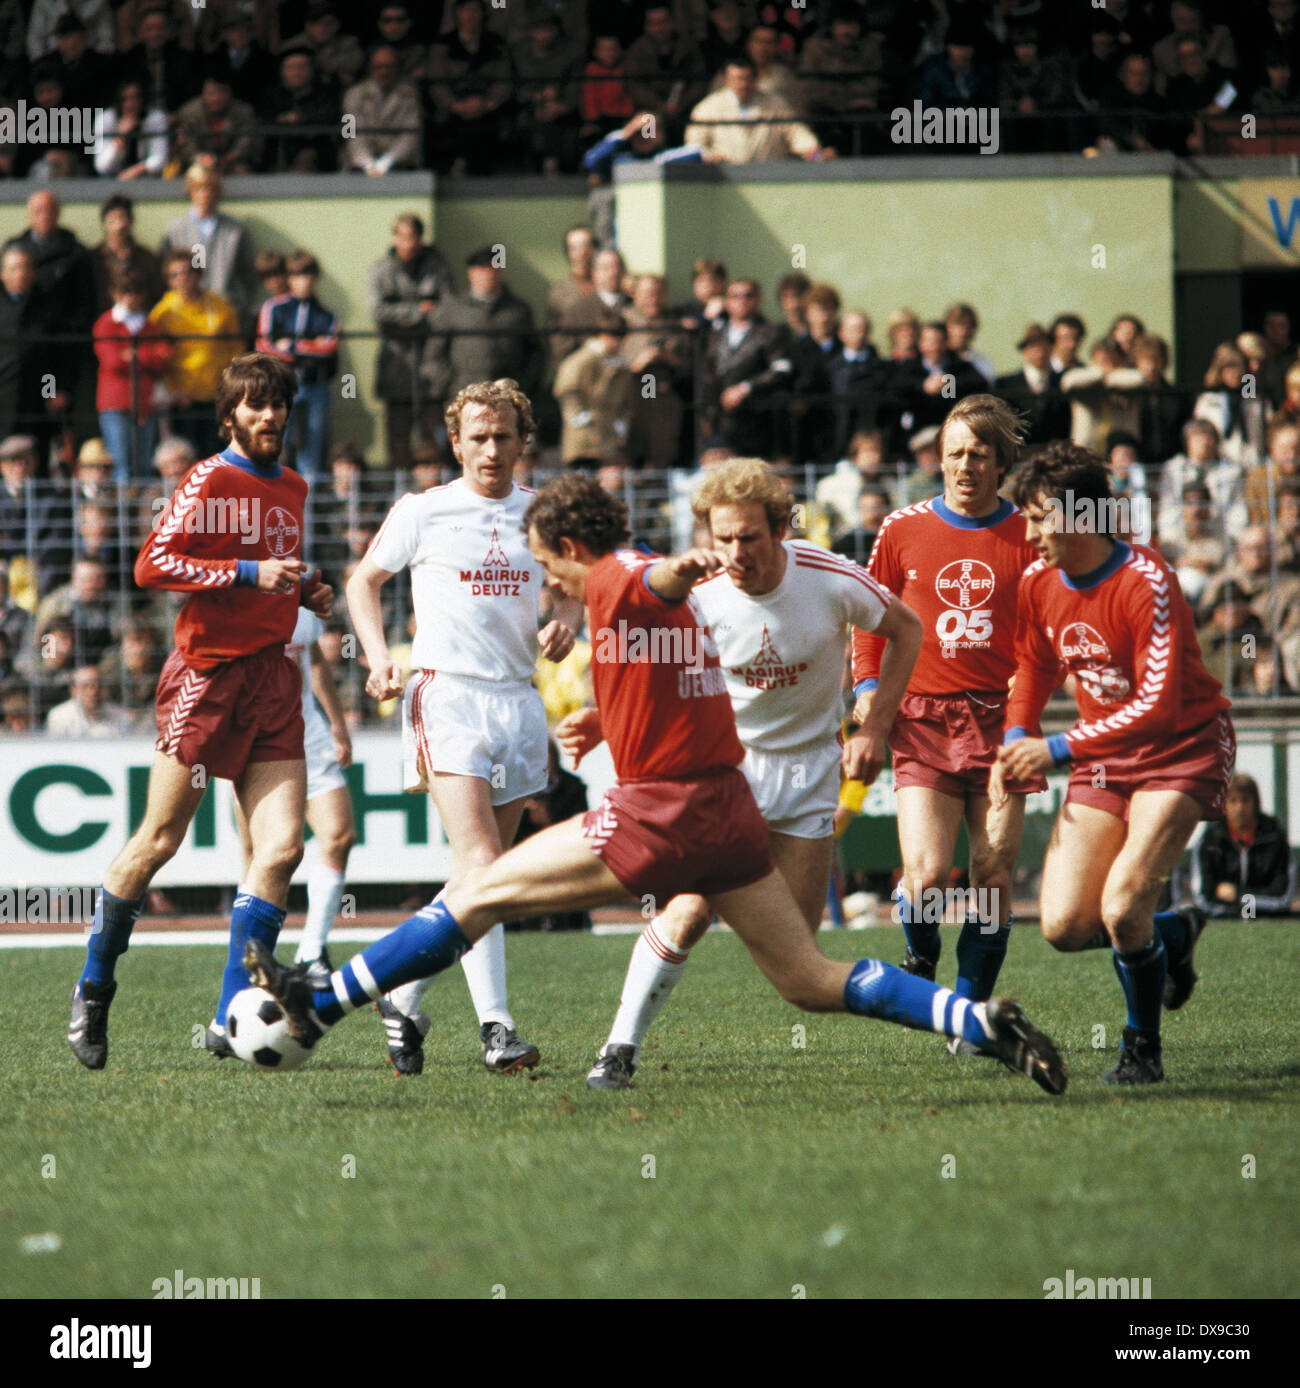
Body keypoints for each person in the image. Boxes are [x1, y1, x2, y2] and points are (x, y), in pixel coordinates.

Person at [247, 472, 1066, 1095]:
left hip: (660, 813)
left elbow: (650, 582)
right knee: (809, 980)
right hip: (729, 813)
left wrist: (682, 566)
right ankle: (977, 1018)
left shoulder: (621, 578)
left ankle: (321, 1004)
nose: (548, 583)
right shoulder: (669, 595)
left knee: (479, 890)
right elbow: (658, 619)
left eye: (544, 565)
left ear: (570, 550)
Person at [585, 457, 923, 1088]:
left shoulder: (826, 574)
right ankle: (617, 1049)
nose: (735, 552)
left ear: (778, 530)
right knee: (686, 912)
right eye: (722, 538)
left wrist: (875, 727)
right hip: (724, 775)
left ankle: (955, 1016)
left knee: (799, 965)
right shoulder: (696, 595)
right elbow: (647, 671)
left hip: (809, 777)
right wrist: (598, 718)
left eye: (749, 536)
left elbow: (907, 629)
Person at [67, 353, 334, 1070]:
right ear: (229, 417)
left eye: (277, 403)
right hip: (207, 678)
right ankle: (93, 988)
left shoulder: (297, 486)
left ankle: (227, 1019)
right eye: (253, 405)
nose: (268, 415)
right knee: (159, 842)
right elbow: (152, 565)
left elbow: (270, 567)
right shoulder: (210, 477)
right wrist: (253, 574)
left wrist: (303, 589)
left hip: (272, 680)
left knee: (281, 850)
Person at [344, 379, 583, 1076]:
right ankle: (498, 1029)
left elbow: (577, 587)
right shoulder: (423, 511)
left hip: (517, 699)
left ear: (522, 441)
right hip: (445, 694)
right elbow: (364, 583)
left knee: (485, 880)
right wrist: (381, 658)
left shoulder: (541, 512)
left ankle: (404, 996)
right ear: (456, 443)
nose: (490, 448)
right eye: (477, 437)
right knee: (483, 864)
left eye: (503, 436)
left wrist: (566, 623)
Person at [992, 440, 1235, 1084]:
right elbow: (1033, 666)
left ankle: (1141, 1051)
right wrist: (1017, 734)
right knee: (1066, 925)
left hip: (1180, 747)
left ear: (1082, 515)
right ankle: (1174, 935)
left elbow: (1157, 708)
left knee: (1123, 906)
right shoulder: (1037, 582)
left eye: (1043, 516)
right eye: (1028, 516)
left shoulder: (1146, 581)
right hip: (1107, 755)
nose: (1031, 530)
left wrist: (1054, 747)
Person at [851, 395, 1044, 1029]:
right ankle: (920, 947)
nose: (966, 466)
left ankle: (967, 1009)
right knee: (928, 875)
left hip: (1004, 722)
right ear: (939, 459)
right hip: (922, 719)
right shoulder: (902, 528)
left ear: (1000, 462)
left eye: (979, 455)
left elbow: (1050, 628)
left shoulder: (1029, 535)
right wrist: (866, 686)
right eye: (955, 453)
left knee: (992, 871)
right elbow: (869, 617)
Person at [207, 607, 356, 1060]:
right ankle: (230, 1003)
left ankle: (311, 950)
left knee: (339, 834)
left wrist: (336, 722)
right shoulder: (235, 596)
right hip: (258, 739)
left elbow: (313, 661)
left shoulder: (302, 598)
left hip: (308, 737)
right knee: (259, 856)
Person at [368, 212, 455, 472]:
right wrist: (419, 312)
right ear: (395, 238)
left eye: (413, 237)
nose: (409, 243)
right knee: (398, 438)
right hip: (395, 366)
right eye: (403, 237)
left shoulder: (438, 267)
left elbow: (448, 310)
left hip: (432, 363)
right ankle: (398, 496)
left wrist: (401, 316)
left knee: (435, 435)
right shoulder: (380, 270)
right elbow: (377, 312)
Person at [148, 252, 242, 460]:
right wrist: (173, 390)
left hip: (217, 396)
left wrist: (231, 387)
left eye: (188, 272)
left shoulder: (221, 307)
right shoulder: (162, 313)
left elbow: (236, 349)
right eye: (175, 274)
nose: (183, 278)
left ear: (198, 274)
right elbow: (155, 357)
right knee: (186, 458)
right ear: (168, 280)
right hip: (182, 399)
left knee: (217, 456)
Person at [254, 251, 338, 483]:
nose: (304, 282)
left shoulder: (327, 314)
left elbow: (329, 348)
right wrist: (310, 348)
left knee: (311, 450)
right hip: (280, 389)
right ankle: (271, 506)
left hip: (316, 387)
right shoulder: (273, 308)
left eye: (309, 276)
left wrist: (290, 345)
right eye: (298, 276)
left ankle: (306, 512)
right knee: (275, 446)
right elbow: (264, 345)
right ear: (289, 278)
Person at [93, 266, 171, 483]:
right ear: (115, 294)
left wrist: (132, 354)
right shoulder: (106, 323)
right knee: (121, 465)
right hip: (115, 403)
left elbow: (163, 359)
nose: (131, 297)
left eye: (136, 291)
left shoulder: (149, 325)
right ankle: (122, 515)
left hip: (145, 402)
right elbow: (112, 361)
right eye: (125, 291)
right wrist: (146, 355)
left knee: (145, 464)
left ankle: (143, 515)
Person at [159, 166, 258, 331]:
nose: (205, 193)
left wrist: (239, 302)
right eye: (198, 188)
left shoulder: (235, 230)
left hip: (226, 315)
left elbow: (248, 274)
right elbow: (166, 272)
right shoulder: (175, 231)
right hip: (186, 318)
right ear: (189, 190)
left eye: (210, 188)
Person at [685, 57, 831, 164]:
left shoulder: (776, 104)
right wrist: (711, 156)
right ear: (726, 80)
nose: (742, 84)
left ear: (755, 79)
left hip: (768, 179)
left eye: (747, 79)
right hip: (725, 182)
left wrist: (816, 153)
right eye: (737, 79)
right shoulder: (708, 107)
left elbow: (796, 133)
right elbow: (694, 146)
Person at [1189, 772, 1295, 918]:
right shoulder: (1210, 841)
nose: (1240, 808)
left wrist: (1238, 897)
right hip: (1222, 922)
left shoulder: (1275, 838)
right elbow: (1202, 898)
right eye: (1233, 801)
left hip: (1269, 921)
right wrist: (1237, 912)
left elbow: (1282, 896)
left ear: (1256, 803)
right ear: (1224, 805)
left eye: (1245, 800)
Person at [340, 43, 421, 175]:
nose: (384, 72)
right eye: (379, 67)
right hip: (359, 166)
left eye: (389, 67)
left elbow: (411, 136)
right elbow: (350, 133)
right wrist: (368, 164)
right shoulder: (353, 94)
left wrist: (386, 162)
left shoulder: (410, 95)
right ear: (370, 68)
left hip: (399, 165)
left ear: (397, 68)